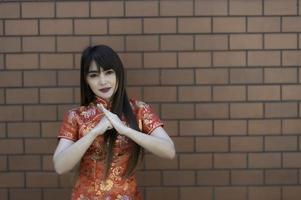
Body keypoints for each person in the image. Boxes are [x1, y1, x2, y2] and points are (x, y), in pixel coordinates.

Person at [53, 45, 176, 200]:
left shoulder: (139, 110)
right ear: (86, 80)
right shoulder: (75, 116)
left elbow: (169, 150)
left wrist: (126, 130)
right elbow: (60, 166)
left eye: (109, 72)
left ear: (119, 74)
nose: (103, 81)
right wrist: (94, 132)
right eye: (94, 75)